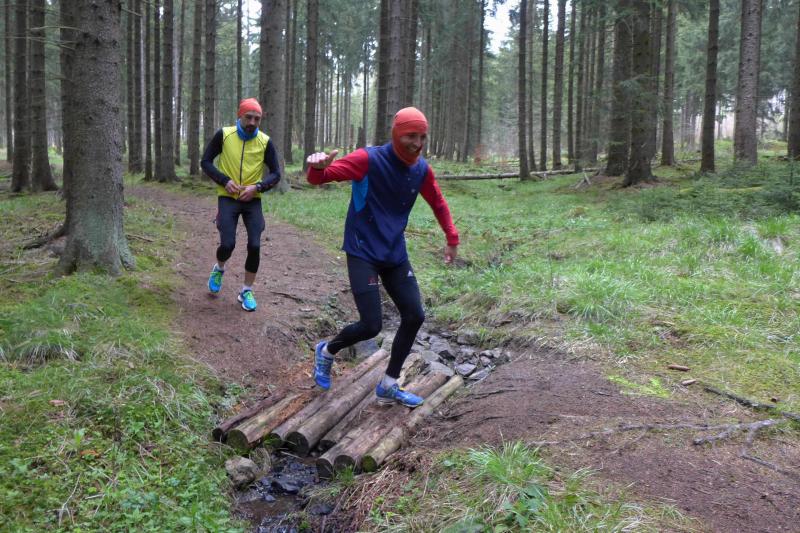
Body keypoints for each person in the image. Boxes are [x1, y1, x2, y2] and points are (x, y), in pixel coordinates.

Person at [305, 107, 459, 407]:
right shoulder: (367, 159)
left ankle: (389, 384)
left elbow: (438, 202)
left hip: (393, 252)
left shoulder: (421, 170)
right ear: (396, 133)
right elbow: (319, 178)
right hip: (362, 250)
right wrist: (317, 167)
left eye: (422, 137)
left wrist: (451, 237)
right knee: (371, 325)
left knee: (415, 315)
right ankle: (326, 351)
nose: (417, 143)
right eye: (411, 136)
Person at [202, 98, 281, 311]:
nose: (253, 122)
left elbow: (276, 173)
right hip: (227, 197)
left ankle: (246, 290)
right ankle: (219, 268)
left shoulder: (265, 141)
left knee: (254, 245)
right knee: (228, 244)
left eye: (257, 118)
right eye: (249, 117)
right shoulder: (224, 135)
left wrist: (258, 187)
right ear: (240, 116)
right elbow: (205, 161)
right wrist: (224, 181)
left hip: (252, 199)